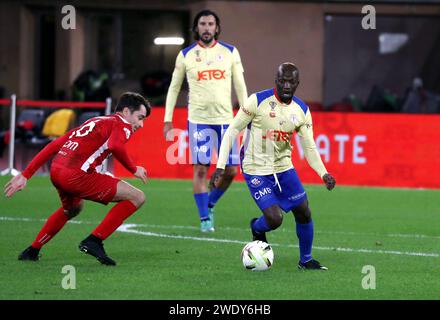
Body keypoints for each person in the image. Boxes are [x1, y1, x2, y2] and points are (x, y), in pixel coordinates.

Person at [3, 92, 151, 266]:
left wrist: (26, 174)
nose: (141, 124)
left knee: (73, 208)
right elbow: (115, 145)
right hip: (76, 175)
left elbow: (54, 145)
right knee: (138, 197)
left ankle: (32, 250)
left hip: (57, 171)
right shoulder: (122, 124)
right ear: (126, 111)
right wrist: (134, 169)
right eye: (140, 118)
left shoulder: (96, 121)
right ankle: (94, 241)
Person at [213, 63, 336, 270]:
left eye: (291, 81)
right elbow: (232, 131)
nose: (286, 85)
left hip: (283, 167)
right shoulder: (257, 101)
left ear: (298, 83)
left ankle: (305, 260)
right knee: (274, 218)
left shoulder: (301, 110)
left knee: (304, 211)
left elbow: (310, 148)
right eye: (282, 80)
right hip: (255, 167)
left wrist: (323, 173)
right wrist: (220, 165)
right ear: (276, 80)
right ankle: (256, 227)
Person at [163, 9, 248, 232]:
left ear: (217, 28)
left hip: (226, 120)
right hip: (198, 120)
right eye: (203, 24)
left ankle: (209, 203)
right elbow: (174, 88)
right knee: (200, 169)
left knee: (231, 171)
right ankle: (204, 219)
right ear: (196, 28)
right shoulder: (185, 55)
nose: (207, 28)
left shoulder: (230, 52)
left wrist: (249, 114)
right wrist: (167, 119)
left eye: (211, 24)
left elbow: (240, 85)